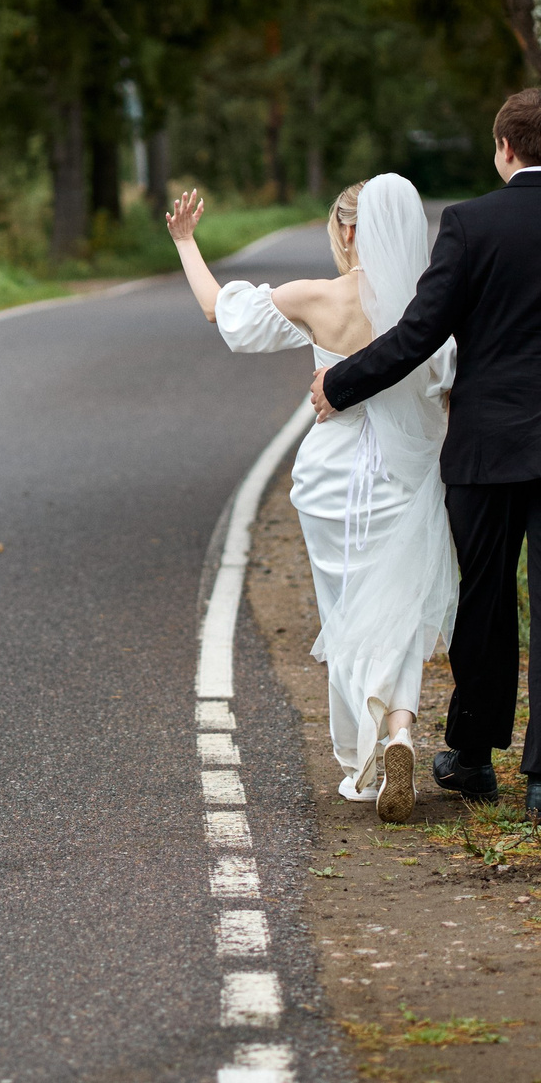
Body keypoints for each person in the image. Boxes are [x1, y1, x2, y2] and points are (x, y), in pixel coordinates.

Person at [308, 90, 541, 827]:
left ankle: (473, 757)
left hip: (486, 450)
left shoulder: (471, 224)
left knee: (486, 598)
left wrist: (340, 383)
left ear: (505, 147)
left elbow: (418, 333)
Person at [168, 175, 458, 822]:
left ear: (348, 231)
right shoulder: (431, 313)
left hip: (329, 480)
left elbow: (224, 315)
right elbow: (447, 391)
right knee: (402, 614)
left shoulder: (315, 297)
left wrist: (187, 242)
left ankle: (367, 756)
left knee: (351, 609)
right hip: (401, 480)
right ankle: (402, 733)